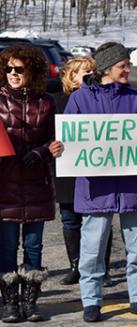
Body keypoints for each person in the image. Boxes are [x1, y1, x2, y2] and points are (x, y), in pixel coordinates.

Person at [49, 42, 137, 322]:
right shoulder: (80, 99)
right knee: (92, 249)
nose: (128, 70)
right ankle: (91, 300)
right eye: (124, 65)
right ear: (108, 68)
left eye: (128, 65)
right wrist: (59, 148)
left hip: (133, 187)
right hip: (95, 188)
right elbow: (69, 140)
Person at [0, 43, 56, 322]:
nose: (12, 72)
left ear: (31, 70)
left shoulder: (47, 102)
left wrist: (41, 152)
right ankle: (9, 302)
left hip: (36, 182)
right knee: (7, 246)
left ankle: (30, 301)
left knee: (34, 245)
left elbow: (56, 139)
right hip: (5, 185)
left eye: (18, 68)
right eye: (8, 68)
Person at [54, 57, 116, 286]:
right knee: (70, 220)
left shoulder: (103, 98)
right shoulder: (57, 101)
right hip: (68, 170)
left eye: (93, 71)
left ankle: (102, 267)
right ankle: (76, 266)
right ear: (72, 76)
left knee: (100, 221)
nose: (90, 75)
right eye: (84, 72)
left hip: (97, 170)